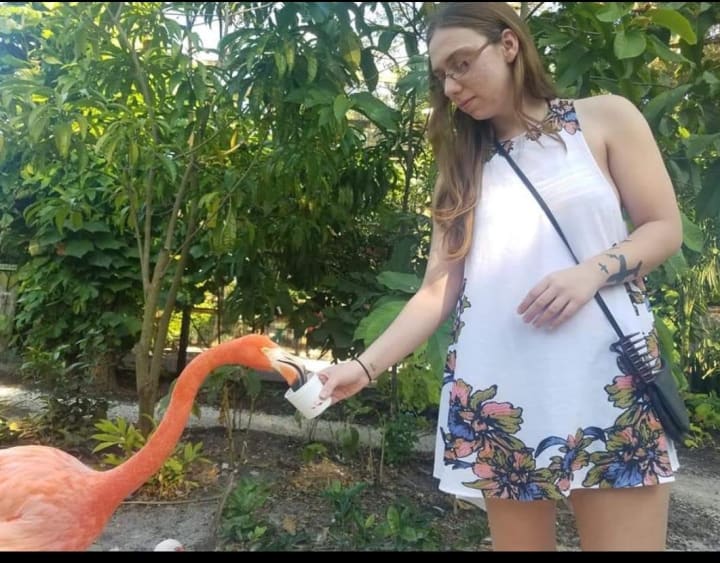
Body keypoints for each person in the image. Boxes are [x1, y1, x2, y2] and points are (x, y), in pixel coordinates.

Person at [317, 1, 683, 551]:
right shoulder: (461, 167)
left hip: (608, 380)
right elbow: (437, 288)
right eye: (442, 76)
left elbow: (663, 227)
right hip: (499, 400)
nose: (451, 86)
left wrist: (591, 273)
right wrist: (364, 367)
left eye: (462, 63)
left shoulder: (605, 118)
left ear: (509, 44)